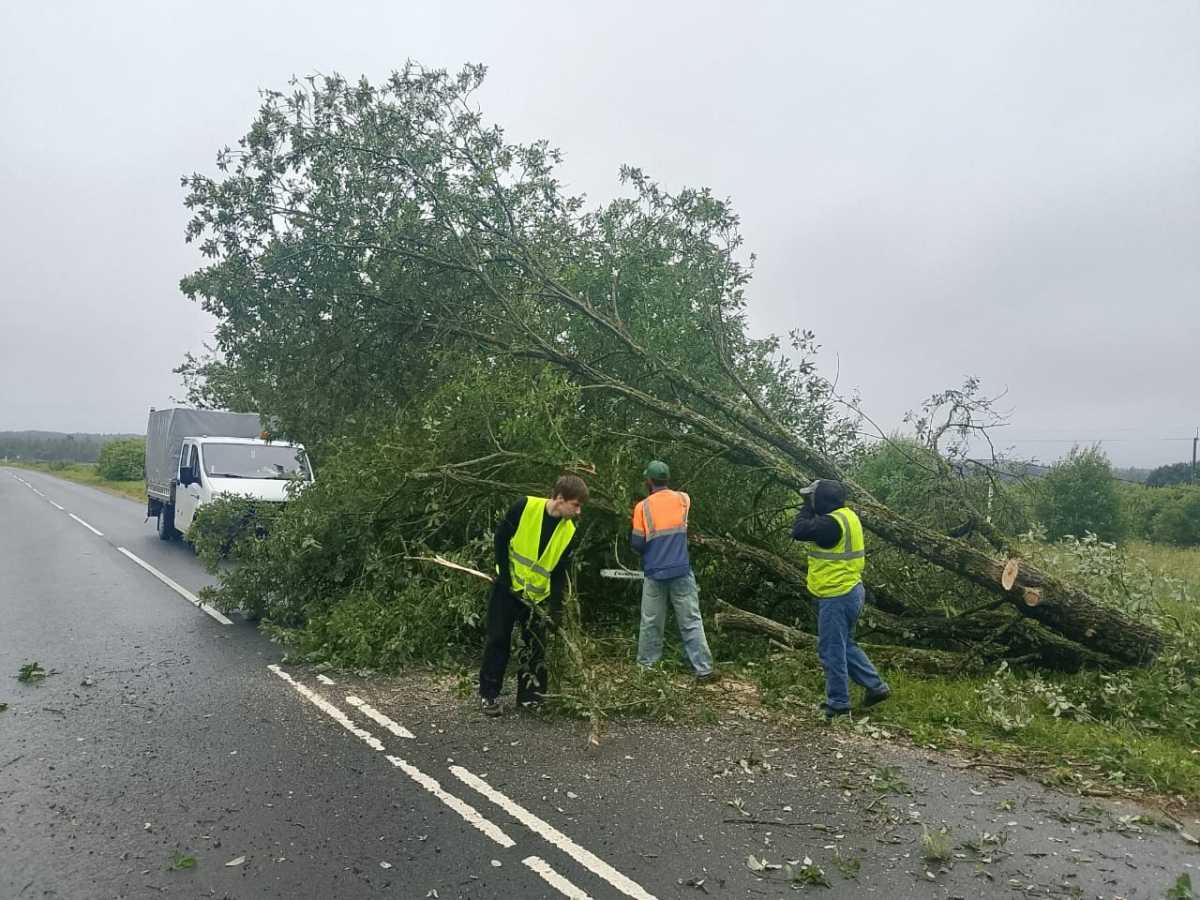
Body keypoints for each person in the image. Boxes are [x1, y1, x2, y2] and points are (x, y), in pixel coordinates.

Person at [479, 474, 588, 716]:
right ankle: (489, 695)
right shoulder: (525, 506)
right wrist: (505, 576)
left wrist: (556, 610)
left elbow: (560, 572)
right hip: (507, 588)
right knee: (498, 640)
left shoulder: (568, 531)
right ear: (560, 498)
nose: (578, 511)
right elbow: (501, 538)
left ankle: (530, 698)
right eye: (576, 504)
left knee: (536, 646)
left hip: (536, 597)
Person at [790, 479, 890, 718]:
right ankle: (875, 686)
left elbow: (799, 530)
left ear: (821, 500)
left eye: (812, 499)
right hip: (850, 590)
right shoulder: (848, 516)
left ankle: (838, 703)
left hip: (837, 595)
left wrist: (806, 506)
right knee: (845, 645)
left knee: (831, 650)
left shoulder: (830, 524)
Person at [630, 460, 716, 682]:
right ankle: (704, 669)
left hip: (654, 572)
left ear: (648, 481)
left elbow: (637, 544)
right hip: (681, 570)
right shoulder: (683, 499)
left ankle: (646, 670)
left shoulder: (642, 507)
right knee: (691, 620)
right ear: (667, 479)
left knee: (651, 622)